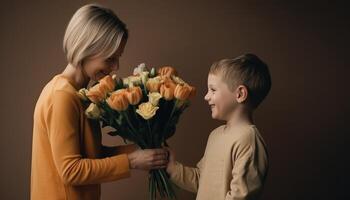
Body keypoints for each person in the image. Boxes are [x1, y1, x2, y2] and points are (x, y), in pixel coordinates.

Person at [30, 4, 168, 200]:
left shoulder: (80, 94)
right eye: (110, 58)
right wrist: (131, 161)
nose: (115, 67)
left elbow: (91, 155)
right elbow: (71, 171)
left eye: (117, 58)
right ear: (86, 48)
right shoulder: (62, 96)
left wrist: (142, 150)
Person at [166, 53, 271, 200]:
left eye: (213, 90)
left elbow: (240, 196)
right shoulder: (215, 135)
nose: (206, 96)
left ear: (240, 94)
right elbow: (201, 180)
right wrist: (171, 168)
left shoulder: (249, 140)